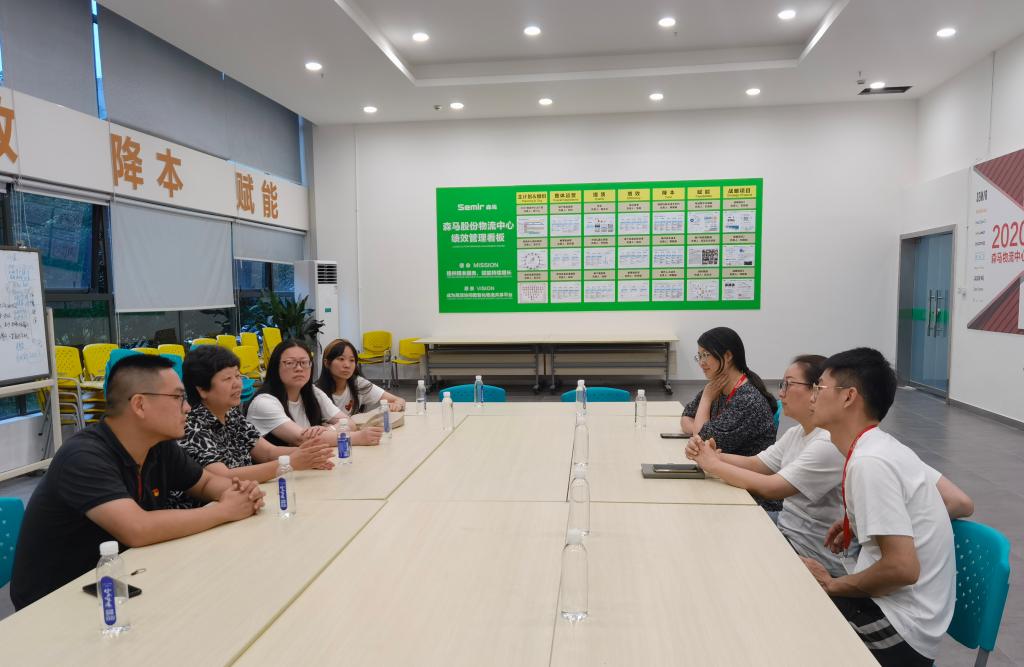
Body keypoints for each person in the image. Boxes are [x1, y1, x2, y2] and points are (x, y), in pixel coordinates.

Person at [10, 355, 264, 610]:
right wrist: (224, 510)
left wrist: (239, 492)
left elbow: (205, 483)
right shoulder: (83, 456)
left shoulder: (158, 445)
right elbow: (137, 528)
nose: (187, 407)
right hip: (58, 602)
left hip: (126, 579)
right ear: (140, 405)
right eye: (178, 398)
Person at [801, 348, 973, 666]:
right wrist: (861, 519)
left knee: (788, 615)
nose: (812, 396)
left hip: (900, 630)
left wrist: (833, 585)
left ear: (848, 397)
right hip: (903, 614)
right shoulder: (882, 446)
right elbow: (948, 502)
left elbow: (902, 569)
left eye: (819, 387)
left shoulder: (871, 462)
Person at [687, 354, 850, 575]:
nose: (781, 392)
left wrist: (714, 464)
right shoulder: (797, 433)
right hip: (786, 527)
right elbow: (756, 464)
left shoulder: (827, 443)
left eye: (789, 385)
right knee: (714, 524)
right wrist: (709, 454)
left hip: (809, 550)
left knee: (721, 543)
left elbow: (771, 487)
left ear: (816, 391)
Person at [170, 346, 336, 508]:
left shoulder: (231, 414)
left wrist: (311, 454)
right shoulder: (191, 425)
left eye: (238, 376)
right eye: (227, 379)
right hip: (209, 509)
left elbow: (267, 452)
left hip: (246, 499)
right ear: (202, 390)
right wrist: (291, 462)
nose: (238, 384)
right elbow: (222, 476)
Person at [681, 327, 779, 509]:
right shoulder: (717, 386)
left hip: (750, 496)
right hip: (726, 480)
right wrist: (700, 425)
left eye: (706, 355)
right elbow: (686, 416)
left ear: (727, 356)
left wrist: (706, 400)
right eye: (699, 356)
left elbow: (702, 440)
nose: (701, 362)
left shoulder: (747, 399)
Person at [247, 340, 382, 446]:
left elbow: (349, 423)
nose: (299, 368)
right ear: (275, 367)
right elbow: (302, 439)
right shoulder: (264, 402)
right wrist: (358, 438)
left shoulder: (313, 392)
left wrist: (329, 430)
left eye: (304, 362)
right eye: (290, 363)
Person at [316, 338, 406, 414]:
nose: (347, 365)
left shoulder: (358, 383)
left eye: (352, 360)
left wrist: (397, 405)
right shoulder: (316, 392)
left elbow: (399, 400)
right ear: (327, 363)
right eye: (341, 359)